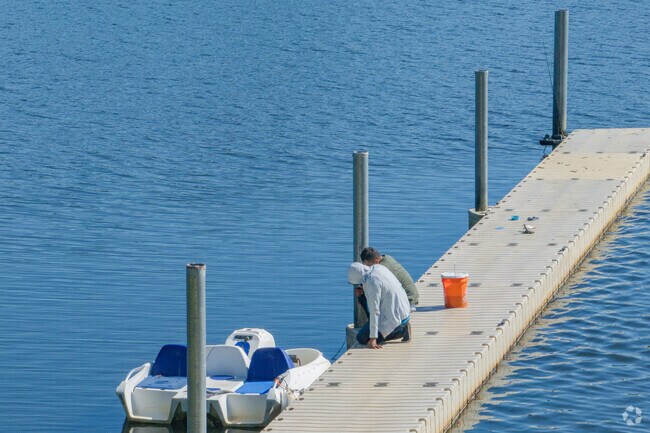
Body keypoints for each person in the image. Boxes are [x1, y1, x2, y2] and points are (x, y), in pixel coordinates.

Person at [348, 262, 411, 349]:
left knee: (361, 338)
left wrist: (373, 338)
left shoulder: (372, 283)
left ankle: (401, 331)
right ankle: (396, 328)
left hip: (396, 319)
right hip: (404, 310)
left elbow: (374, 311)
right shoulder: (378, 267)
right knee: (363, 298)